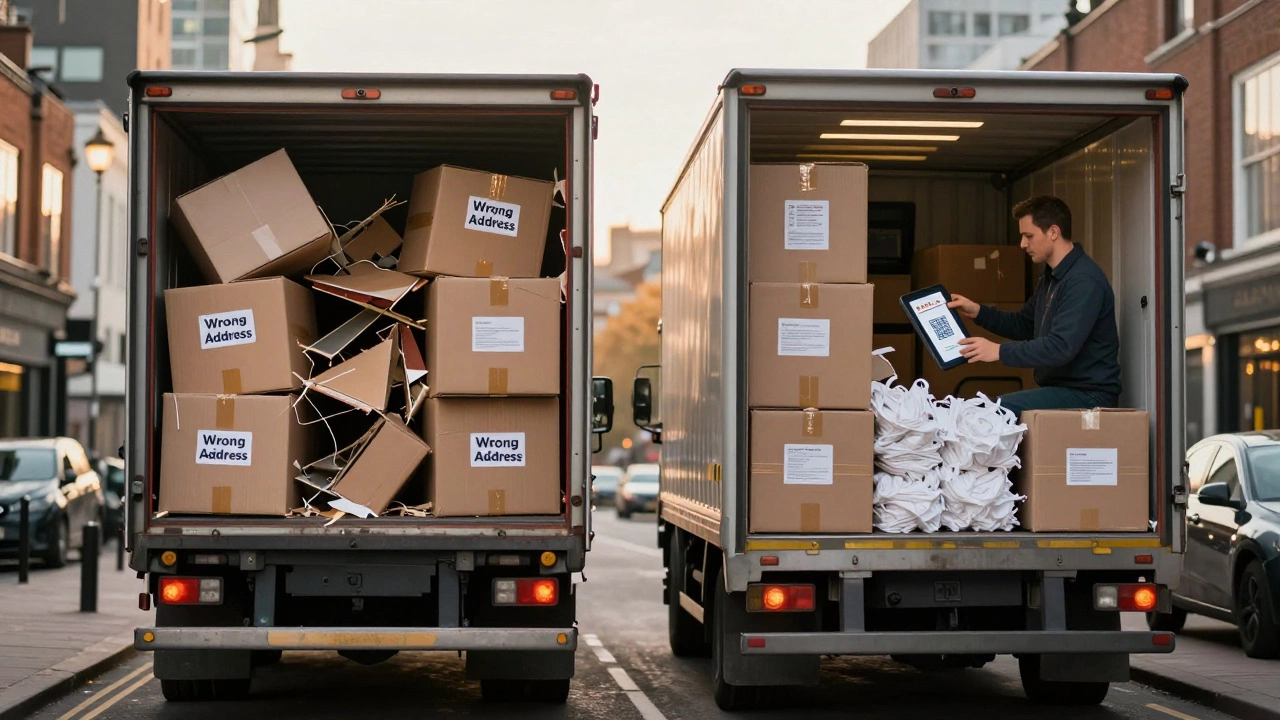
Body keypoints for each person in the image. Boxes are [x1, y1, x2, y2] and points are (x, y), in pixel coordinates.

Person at [946, 195, 1121, 417]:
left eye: (1028, 236)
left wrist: (998, 351)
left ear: (1054, 232)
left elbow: (1060, 347)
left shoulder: (1083, 281)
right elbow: (1025, 325)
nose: (1022, 244)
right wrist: (978, 312)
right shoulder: (1051, 278)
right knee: (981, 410)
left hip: (1088, 396)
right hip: (1063, 390)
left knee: (983, 412)